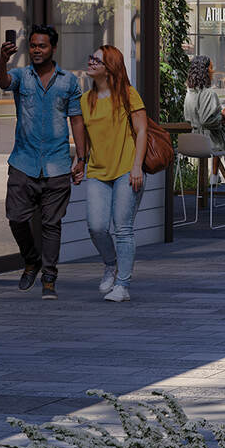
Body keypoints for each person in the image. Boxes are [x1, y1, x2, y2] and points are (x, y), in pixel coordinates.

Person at [0, 25, 86, 300]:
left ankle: (49, 277)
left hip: (58, 164)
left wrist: (81, 159)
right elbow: (2, 82)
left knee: (51, 224)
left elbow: (77, 120)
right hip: (23, 161)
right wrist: (2, 59)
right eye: (33, 46)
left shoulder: (68, 81)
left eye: (42, 46)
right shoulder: (22, 76)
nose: (36, 50)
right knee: (16, 218)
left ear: (53, 48)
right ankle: (31, 260)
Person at [78, 45, 147, 303]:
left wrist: (137, 166)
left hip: (127, 170)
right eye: (91, 58)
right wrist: (79, 161)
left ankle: (122, 285)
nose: (91, 62)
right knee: (96, 226)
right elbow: (83, 137)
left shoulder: (128, 95)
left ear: (110, 68)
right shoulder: (85, 100)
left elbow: (141, 131)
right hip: (97, 171)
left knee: (123, 229)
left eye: (97, 60)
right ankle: (111, 263)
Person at [181, 56, 225, 182]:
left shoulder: (189, 93)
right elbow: (207, 121)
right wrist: (223, 117)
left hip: (192, 142)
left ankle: (215, 176)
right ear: (205, 71)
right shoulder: (209, 94)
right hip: (208, 143)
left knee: (222, 140)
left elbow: (190, 118)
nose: (213, 71)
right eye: (211, 67)